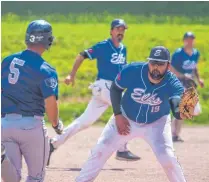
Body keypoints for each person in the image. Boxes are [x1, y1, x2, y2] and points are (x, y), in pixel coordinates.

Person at [58, 46, 201, 182]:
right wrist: (118, 114)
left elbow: (176, 108)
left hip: (156, 123)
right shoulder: (132, 70)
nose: (156, 67)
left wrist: (182, 111)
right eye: (153, 62)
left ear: (168, 66)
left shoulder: (172, 82)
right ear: (148, 62)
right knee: (99, 151)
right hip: (125, 117)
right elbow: (116, 89)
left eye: (160, 64)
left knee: (167, 158)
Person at [1, 20, 63, 182]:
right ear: (47, 40)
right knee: (36, 175)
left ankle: (2, 158)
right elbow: (51, 105)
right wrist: (56, 124)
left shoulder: (7, 61)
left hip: (5, 124)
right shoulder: (46, 69)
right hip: (30, 125)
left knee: (14, 178)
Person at [48, 19, 140, 165]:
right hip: (104, 86)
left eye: (123, 29)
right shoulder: (104, 45)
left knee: (84, 122)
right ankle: (121, 149)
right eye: (118, 29)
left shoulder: (123, 49)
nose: (121, 32)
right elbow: (81, 55)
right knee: (126, 109)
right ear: (111, 31)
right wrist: (72, 75)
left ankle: (52, 145)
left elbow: (121, 70)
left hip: (110, 89)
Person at [170, 31, 204, 142]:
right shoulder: (178, 54)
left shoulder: (195, 53)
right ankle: (174, 134)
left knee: (192, 110)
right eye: (188, 39)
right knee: (184, 109)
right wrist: (182, 75)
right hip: (179, 83)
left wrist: (199, 79)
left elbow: (194, 67)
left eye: (192, 39)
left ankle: (173, 133)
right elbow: (170, 68)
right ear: (184, 41)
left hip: (189, 84)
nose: (190, 41)